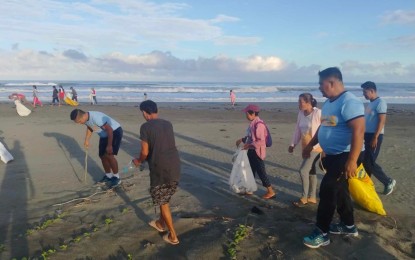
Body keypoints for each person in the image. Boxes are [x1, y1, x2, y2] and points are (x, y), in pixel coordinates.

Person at [302, 67, 365, 248]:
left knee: (328, 191)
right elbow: (325, 126)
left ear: (332, 82)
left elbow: (358, 130)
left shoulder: (349, 102)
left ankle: (322, 232)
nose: (319, 88)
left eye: (321, 84)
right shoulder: (329, 103)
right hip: (332, 156)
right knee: (341, 191)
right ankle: (348, 225)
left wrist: (352, 161)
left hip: (345, 156)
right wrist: (310, 145)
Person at [132, 100, 181, 245]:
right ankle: (160, 223)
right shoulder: (168, 124)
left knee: (163, 201)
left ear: (145, 113)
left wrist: (139, 161)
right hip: (175, 164)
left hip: (160, 167)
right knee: (165, 196)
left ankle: (173, 236)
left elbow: (145, 151)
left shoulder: (145, 127)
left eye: (143, 113)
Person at [70, 109, 123, 188]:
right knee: (102, 156)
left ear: (83, 116)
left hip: (114, 132)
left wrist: (109, 145)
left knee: (109, 155)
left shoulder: (96, 118)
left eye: (80, 121)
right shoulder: (85, 119)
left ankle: (117, 178)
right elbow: (90, 127)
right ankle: (108, 176)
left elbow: (109, 130)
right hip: (104, 135)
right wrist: (87, 140)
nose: (80, 123)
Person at [361, 81, 396, 195]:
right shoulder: (370, 103)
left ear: (372, 91)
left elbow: (382, 121)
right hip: (366, 135)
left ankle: (388, 181)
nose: (363, 94)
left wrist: (375, 137)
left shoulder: (380, 102)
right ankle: (367, 185)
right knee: (365, 161)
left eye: (364, 91)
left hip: (375, 135)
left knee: (369, 162)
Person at [235, 104, 276, 199]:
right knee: (250, 170)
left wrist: (249, 145)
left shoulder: (259, 125)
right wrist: (242, 140)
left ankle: (270, 191)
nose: (246, 116)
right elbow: (250, 137)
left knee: (261, 172)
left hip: (257, 152)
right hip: (252, 151)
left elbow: (261, 141)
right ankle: (250, 189)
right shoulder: (253, 123)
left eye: (247, 114)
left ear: (253, 113)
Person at [289, 93, 322, 207]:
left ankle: (304, 198)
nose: (298, 104)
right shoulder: (301, 113)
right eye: (298, 102)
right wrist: (293, 144)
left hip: (317, 147)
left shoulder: (318, 113)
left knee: (303, 171)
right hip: (305, 147)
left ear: (308, 102)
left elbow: (326, 128)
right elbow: (298, 130)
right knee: (311, 171)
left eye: (300, 102)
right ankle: (312, 197)